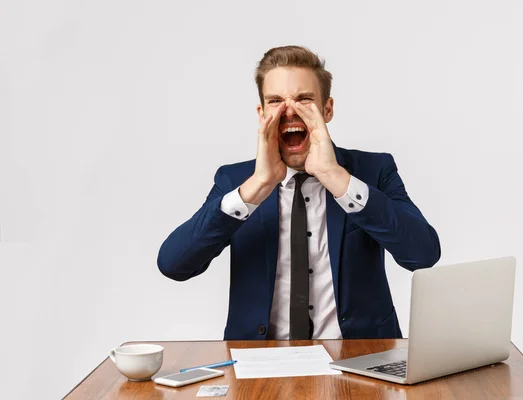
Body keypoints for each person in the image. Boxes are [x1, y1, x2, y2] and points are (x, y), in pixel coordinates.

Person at [157, 45, 441, 341]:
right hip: (260, 362)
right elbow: (174, 264)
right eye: (276, 101)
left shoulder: (374, 169)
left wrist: (335, 176)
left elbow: (422, 255)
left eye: (305, 99)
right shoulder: (235, 180)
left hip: (360, 358)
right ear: (261, 113)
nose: (289, 111)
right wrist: (257, 186)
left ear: (327, 109)